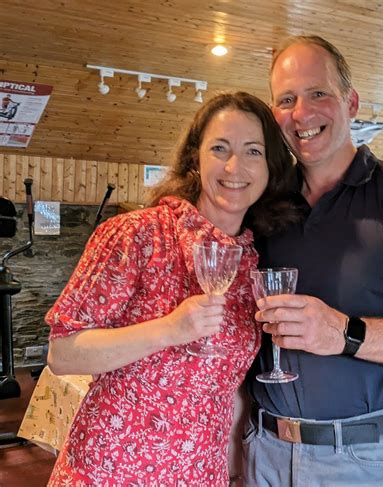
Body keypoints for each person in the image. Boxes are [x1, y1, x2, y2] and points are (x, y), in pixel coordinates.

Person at [243, 35, 383, 486]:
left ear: (351, 103)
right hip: (264, 452)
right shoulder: (263, 205)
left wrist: (344, 333)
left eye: (318, 93)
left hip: (369, 462)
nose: (301, 113)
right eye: (286, 100)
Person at [45, 91, 298, 486]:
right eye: (219, 148)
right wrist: (169, 329)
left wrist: (234, 470)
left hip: (199, 471)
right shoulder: (136, 235)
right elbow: (62, 354)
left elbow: (227, 388)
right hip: (113, 468)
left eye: (253, 151)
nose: (235, 166)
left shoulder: (253, 264)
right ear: (195, 158)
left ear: (271, 168)